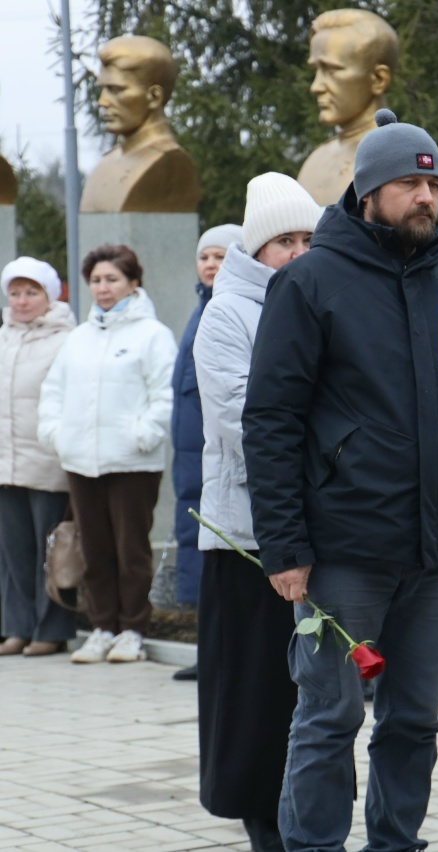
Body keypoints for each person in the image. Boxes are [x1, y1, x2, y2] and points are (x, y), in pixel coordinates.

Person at [242, 110, 438, 852]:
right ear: (367, 193)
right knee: (330, 717)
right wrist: (283, 545)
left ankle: (396, 841)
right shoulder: (311, 281)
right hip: (340, 551)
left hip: (431, 554)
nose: (426, 197)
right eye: (409, 183)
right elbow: (273, 420)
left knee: (416, 717)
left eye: (434, 183)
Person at [194, 173, 323, 852]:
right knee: (253, 695)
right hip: (246, 538)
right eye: (283, 241)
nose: (299, 252)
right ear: (254, 248)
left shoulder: (319, 301)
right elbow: (244, 422)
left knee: (306, 695)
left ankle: (304, 818)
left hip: (317, 530)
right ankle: (261, 823)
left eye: (308, 238)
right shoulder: (228, 314)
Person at [38, 244, 177, 664]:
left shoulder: (152, 335)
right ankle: (101, 627)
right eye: (96, 280)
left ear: (134, 283)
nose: (102, 288)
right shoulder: (78, 338)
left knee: (130, 550)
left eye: (112, 279)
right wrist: (58, 436)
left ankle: (132, 630)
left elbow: (166, 396)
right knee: (94, 549)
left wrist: (143, 434)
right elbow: (53, 393)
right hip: (81, 461)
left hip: (132, 463)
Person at [170, 224, 241, 676]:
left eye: (220, 256)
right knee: (198, 552)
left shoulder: (228, 311)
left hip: (220, 456)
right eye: (205, 257)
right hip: (191, 456)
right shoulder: (199, 310)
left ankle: (221, 655)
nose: (211, 265)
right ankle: (210, 653)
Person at [0, 257, 76, 657]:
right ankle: (16, 627)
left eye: (31, 292)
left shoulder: (66, 338)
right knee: (13, 554)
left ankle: (52, 628)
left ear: (50, 295)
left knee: (51, 553)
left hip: (48, 462)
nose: (22, 301)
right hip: (6, 464)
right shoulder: (3, 337)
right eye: (15, 293)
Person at [79, 35, 200, 213]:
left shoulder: (170, 163)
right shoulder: (106, 164)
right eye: (103, 89)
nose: (102, 101)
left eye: (116, 90)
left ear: (154, 97)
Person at [296, 8, 398, 205]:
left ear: (378, 79)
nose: (316, 87)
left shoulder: (398, 160)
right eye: (316, 70)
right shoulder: (315, 161)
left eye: (331, 70)